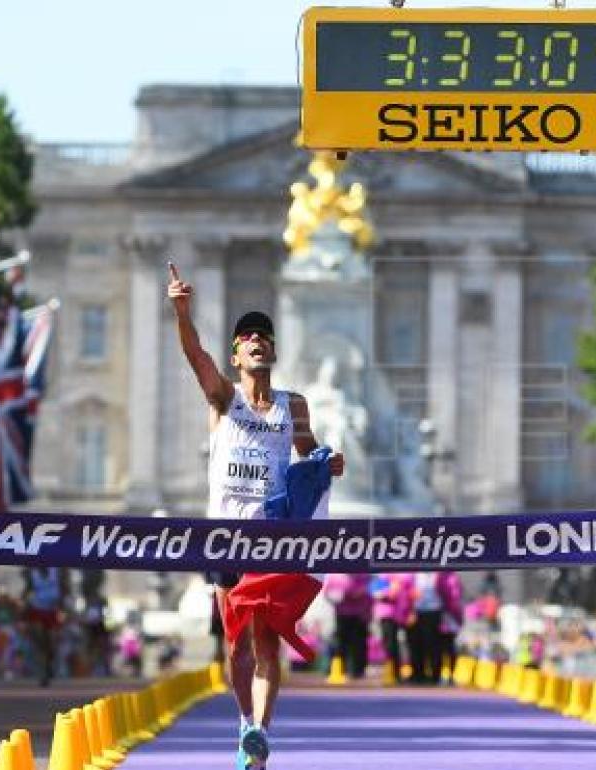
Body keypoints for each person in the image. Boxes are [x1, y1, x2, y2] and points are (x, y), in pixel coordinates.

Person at [168, 263, 343, 770]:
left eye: (264, 337)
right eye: (247, 338)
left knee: (267, 641)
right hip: (226, 536)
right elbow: (195, 356)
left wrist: (328, 463)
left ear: (273, 352)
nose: (257, 342)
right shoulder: (225, 398)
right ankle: (245, 720)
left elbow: (310, 458)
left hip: (273, 535)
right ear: (236, 356)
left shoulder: (295, 406)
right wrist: (182, 313)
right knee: (236, 642)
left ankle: (260, 736)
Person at [323, 573, 372, 679]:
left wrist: (355, 593)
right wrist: (337, 596)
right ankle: (338, 669)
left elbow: (367, 589)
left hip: (360, 615)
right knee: (340, 642)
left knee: (358, 643)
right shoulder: (332, 576)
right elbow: (326, 592)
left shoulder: (363, 575)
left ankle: (357, 671)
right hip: (341, 614)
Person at [23, 566, 65, 686]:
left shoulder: (55, 571)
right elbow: (27, 591)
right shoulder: (33, 573)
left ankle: (49, 663)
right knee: (40, 643)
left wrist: (62, 608)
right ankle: (43, 674)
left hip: (52, 611)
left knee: (51, 642)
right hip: (37, 611)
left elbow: (64, 589)